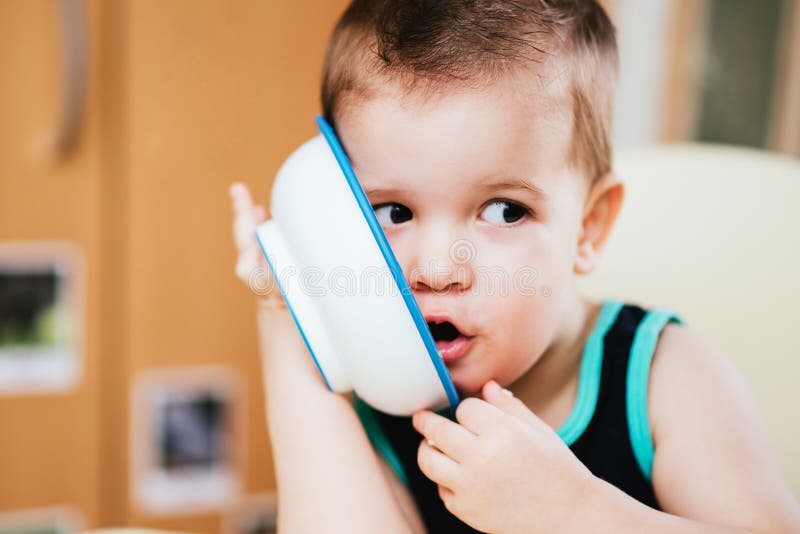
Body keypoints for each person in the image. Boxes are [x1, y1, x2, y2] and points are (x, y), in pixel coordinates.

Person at [229, 1, 800, 532]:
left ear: (588, 227)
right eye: (393, 211)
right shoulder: (389, 391)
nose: (435, 269)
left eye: (504, 211)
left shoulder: (662, 378)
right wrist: (288, 314)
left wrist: (573, 512)